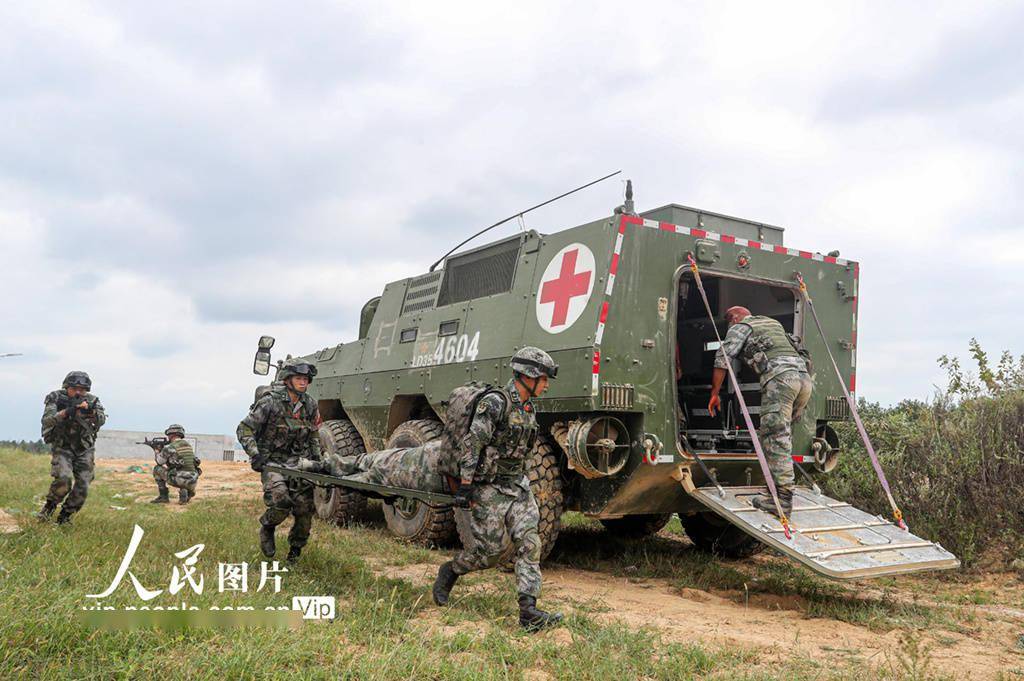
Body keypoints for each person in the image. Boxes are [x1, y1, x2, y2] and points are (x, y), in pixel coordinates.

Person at [432, 347, 563, 632]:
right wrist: (466, 486)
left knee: (530, 543)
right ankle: (451, 570)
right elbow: (473, 445)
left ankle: (529, 612)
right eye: (543, 378)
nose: (546, 384)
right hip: (489, 487)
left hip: (517, 486)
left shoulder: (529, 407)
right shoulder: (495, 403)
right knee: (488, 554)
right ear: (528, 376)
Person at [707, 306, 812, 516]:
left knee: (775, 438)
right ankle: (774, 491)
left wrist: (715, 393)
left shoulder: (741, 326)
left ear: (735, 318)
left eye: (729, 321)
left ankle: (782, 500)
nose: (730, 325)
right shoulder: (773, 323)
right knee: (783, 438)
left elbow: (723, 358)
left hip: (781, 380)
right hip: (804, 380)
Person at [237, 360, 322, 563]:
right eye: (299, 379)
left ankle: (295, 551)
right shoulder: (270, 402)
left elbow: (313, 434)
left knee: (305, 509)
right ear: (288, 380)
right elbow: (244, 429)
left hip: (298, 463)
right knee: (281, 500)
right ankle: (267, 527)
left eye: (305, 379)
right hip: (272, 462)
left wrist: (318, 460)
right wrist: (255, 454)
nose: (303, 383)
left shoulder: (310, 405)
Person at [38, 371, 107, 524]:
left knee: (84, 483)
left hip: (84, 448)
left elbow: (102, 420)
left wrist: (92, 412)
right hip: (63, 446)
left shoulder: (92, 400)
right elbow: (47, 421)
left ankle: (65, 516)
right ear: (67, 387)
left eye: (82, 389)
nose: (78, 392)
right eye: (74, 388)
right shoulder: (56, 397)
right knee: (64, 478)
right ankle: (49, 507)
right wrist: (67, 412)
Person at [151, 424, 200, 505]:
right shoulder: (188, 446)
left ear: (171, 435)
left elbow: (159, 462)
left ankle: (163, 497)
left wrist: (157, 451)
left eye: (169, 435)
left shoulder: (169, 447)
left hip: (179, 480)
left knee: (157, 469)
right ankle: (187, 492)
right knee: (182, 470)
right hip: (193, 480)